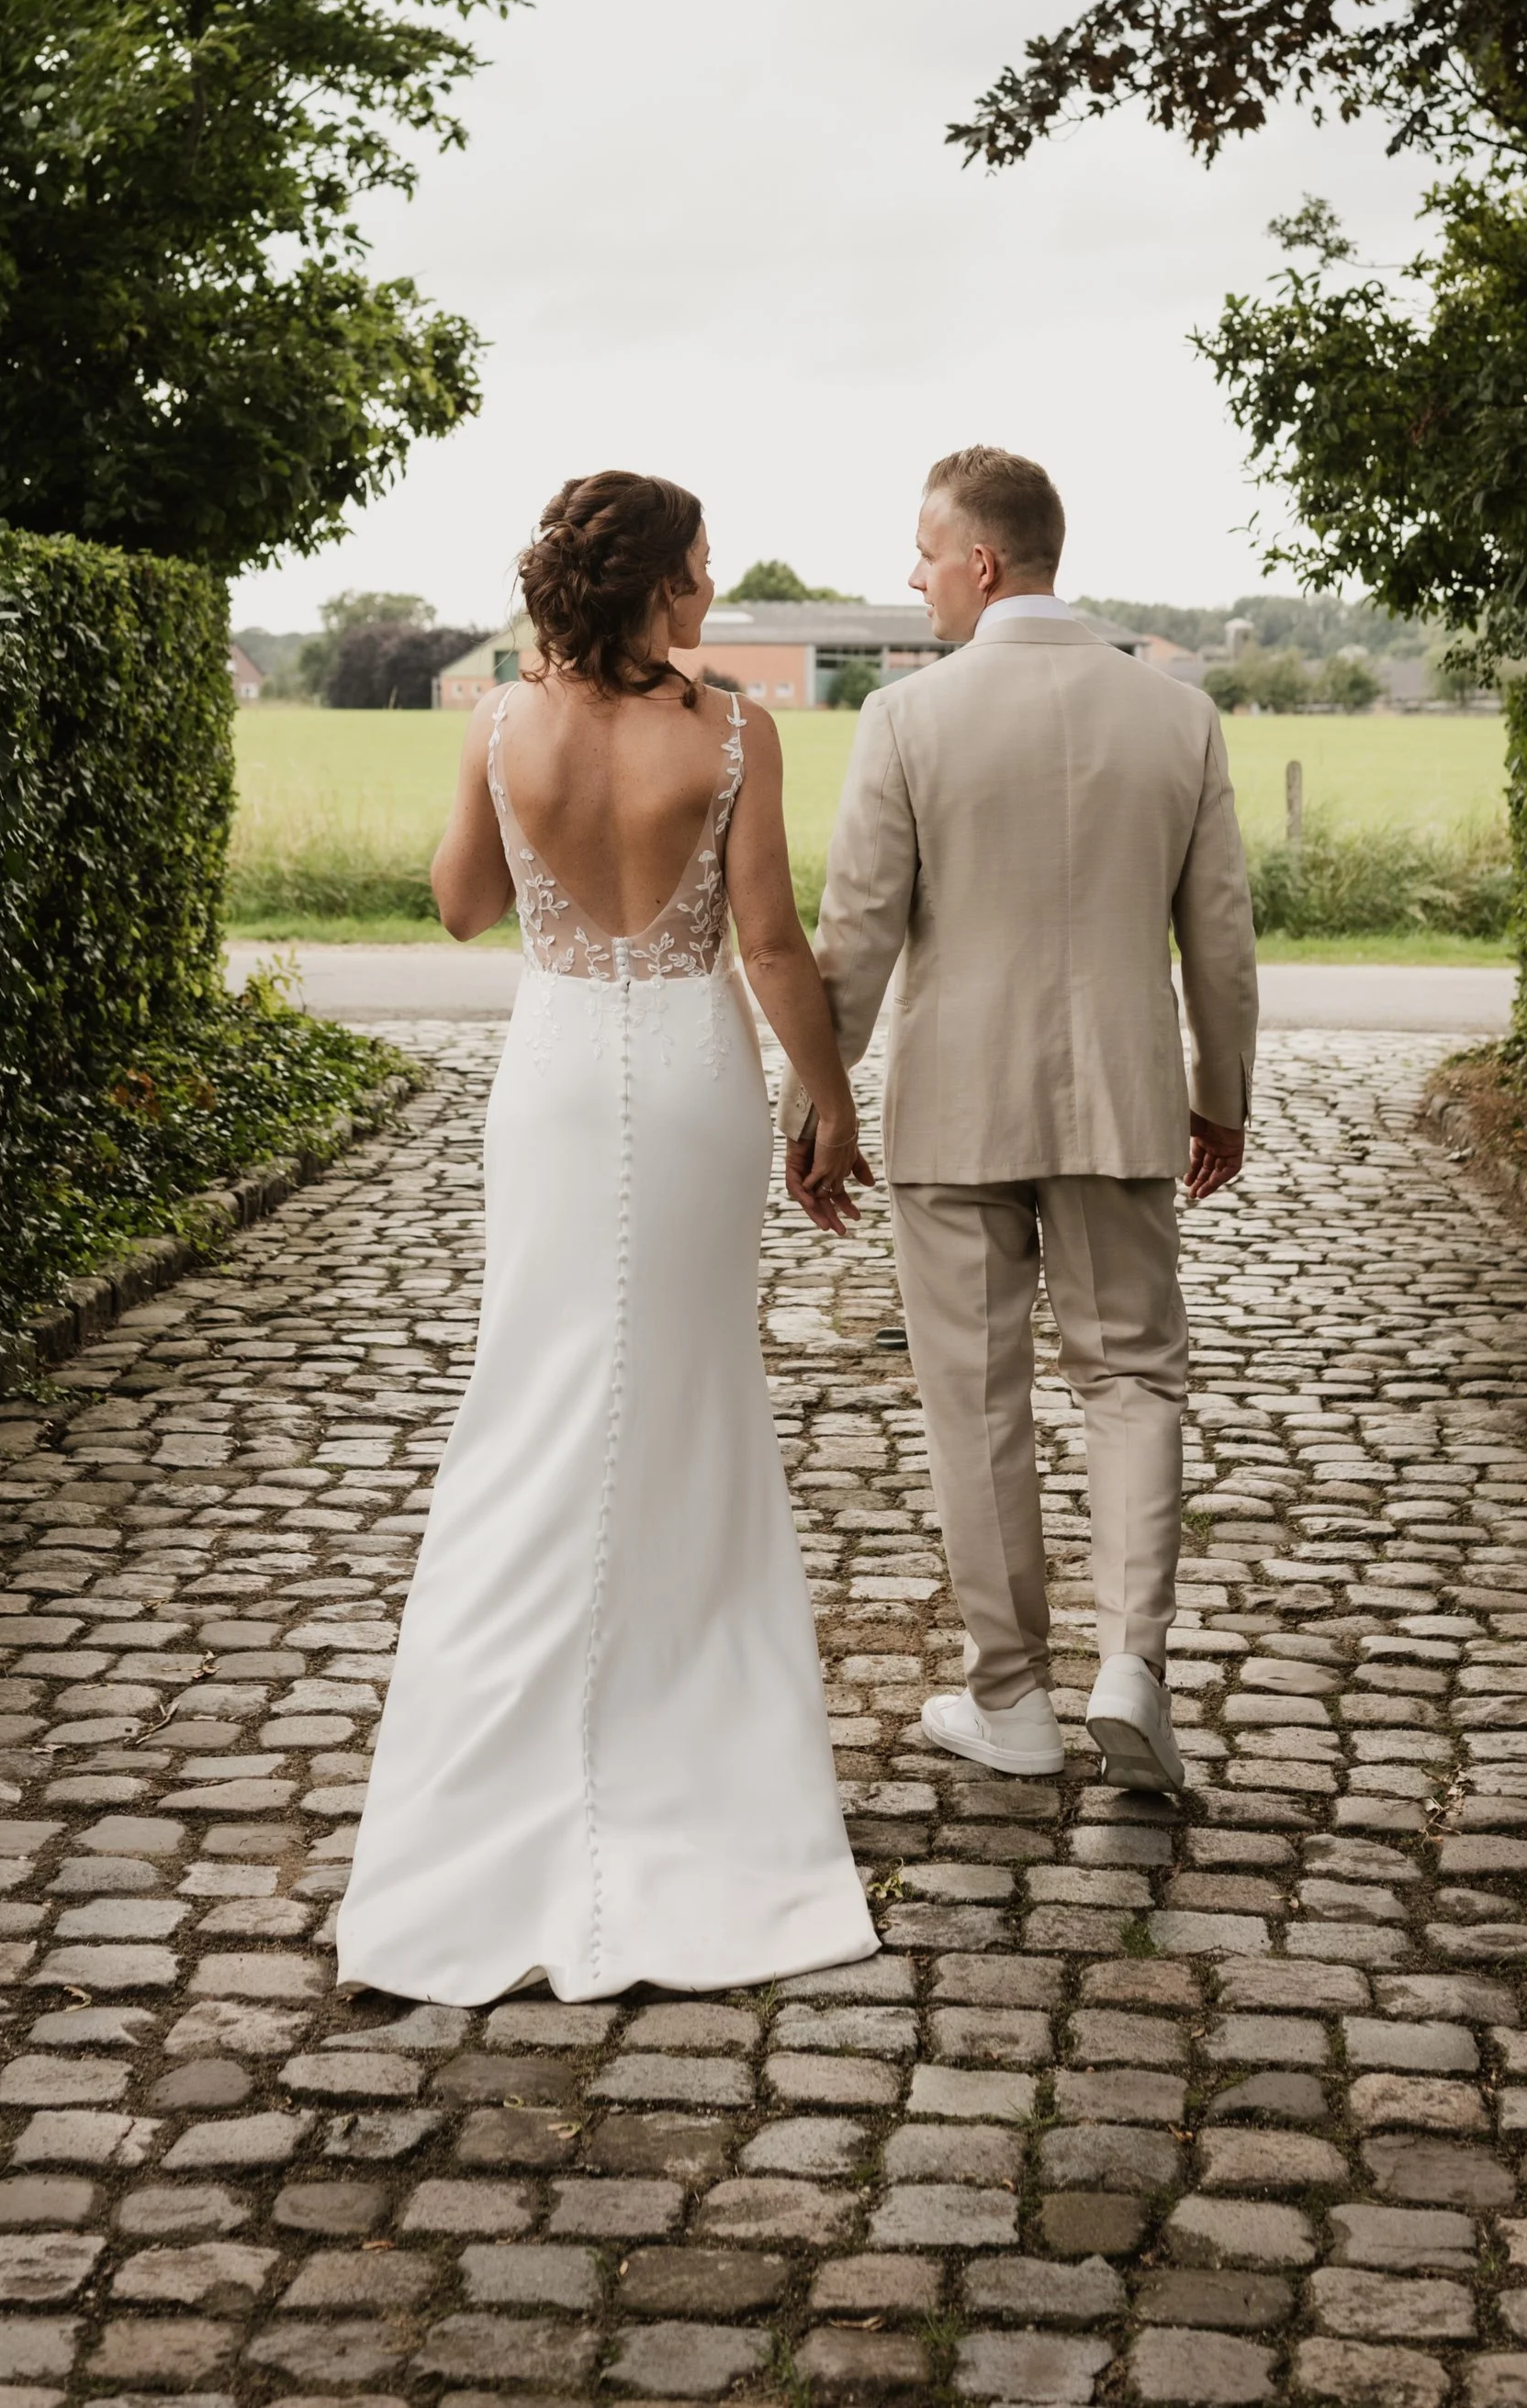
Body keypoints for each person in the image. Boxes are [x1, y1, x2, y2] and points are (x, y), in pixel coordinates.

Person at [335, 470, 878, 2003]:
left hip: (560, 1076)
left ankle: (483, 1790)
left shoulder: (503, 722)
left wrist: (520, 797)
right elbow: (768, 937)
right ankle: (691, 1751)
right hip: (696, 1078)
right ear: (641, 581)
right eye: (695, 576)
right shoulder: (731, 733)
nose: (710, 599)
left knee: (533, 1402)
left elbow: (456, 906)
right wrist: (828, 1098)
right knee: (688, 1402)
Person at [782, 445, 1257, 1794]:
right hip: (1119, 1104)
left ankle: (1014, 1704)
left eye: (924, 551)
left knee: (975, 1403)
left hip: (956, 1114)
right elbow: (1218, 936)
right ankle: (1133, 1669)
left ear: (982, 561)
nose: (913, 575)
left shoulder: (908, 720)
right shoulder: (1178, 716)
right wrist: (1219, 1093)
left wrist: (817, 1109)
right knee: (1133, 1379)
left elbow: (855, 937)